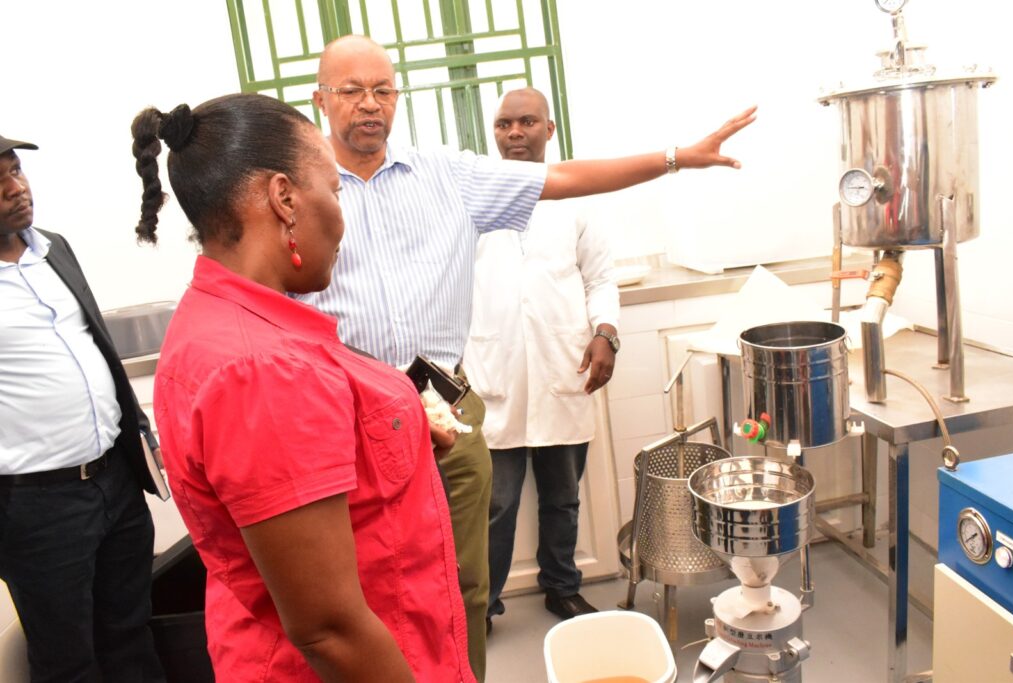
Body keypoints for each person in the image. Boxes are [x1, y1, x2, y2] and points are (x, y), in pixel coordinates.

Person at [302, 34, 756, 679]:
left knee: (464, 586)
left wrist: (677, 156)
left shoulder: (446, 175)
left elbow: (568, 178)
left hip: (443, 411)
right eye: (351, 91)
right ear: (322, 99)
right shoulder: (302, 185)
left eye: (382, 90)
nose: (368, 105)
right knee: (370, 590)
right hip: (349, 417)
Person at [131, 94, 474, 682]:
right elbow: (330, 630)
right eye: (335, 192)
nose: (343, 216)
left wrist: (405, 434)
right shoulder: (261, 371)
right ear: (284, 198)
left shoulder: (233, 321)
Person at [0, 134, 166, 682]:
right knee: (67, 660)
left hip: (114, 482)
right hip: (36, 506)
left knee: (131, 634)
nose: (15, 187)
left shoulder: (55, 248)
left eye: (16, 169)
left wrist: (139, 436)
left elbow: (98, 347)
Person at [462, 88, 619, 632]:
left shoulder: (577, 200)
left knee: (562, 498)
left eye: (527, 122)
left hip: (565, 370)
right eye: (504, 124)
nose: (514, 133)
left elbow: (601, 278)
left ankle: (562, 588)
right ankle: (482, 604)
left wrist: (607, 334)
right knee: (495, 504)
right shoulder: (473, 204)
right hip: (494, 375)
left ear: (548, 130)